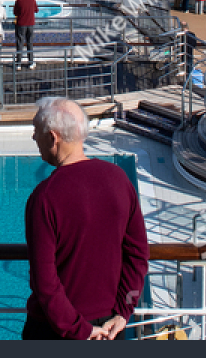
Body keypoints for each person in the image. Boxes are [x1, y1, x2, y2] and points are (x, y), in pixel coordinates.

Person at [23, 98, 149, 340]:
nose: (33, 139)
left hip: (55, 330)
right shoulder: (119, 179)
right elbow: (138, 254)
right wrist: (123, 312)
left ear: (53, 137)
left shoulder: (45, 197)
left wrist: (79, 329)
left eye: (36, 132)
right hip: (111, 327)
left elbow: (45, 282)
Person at [13, 0, 38, 69]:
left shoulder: (18, 1)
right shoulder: (32, 0)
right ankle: (31, 62)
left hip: (21, 24)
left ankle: (18, 64)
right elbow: (36, 10)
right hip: (30, 24)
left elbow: (15, 12)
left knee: (20, 43)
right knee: (30, 43)